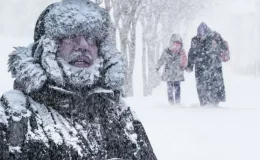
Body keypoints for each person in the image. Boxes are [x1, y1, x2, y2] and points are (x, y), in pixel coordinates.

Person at [0, 0, 157, 159]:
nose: (83, 45)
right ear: (49, 47)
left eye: (91, 38)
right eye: (71, 37)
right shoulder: (14, 113)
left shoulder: (119, 112)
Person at [186, 22, 230, 106]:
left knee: (214, 88)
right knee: (202, 89)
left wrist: (216, 47)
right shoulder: (195, 40)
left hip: (214, 68)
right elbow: (192, 53)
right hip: (200, 69)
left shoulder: (215, 36)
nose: (200, 37)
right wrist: (189, 66)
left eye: (202, 35)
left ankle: (214, 105)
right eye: (199, 35)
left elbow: (223, 48)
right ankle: (204, 105)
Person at [156, 34, 187, 105]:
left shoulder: (167, 51)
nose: (176, 45)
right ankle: (176, 103)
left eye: (178, 43)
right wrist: (184, 66)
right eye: (175, 43)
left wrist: (157, 67)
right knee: (176, 88)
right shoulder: (180, 51)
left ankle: (173, 103)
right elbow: (184, 62)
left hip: (171, 72)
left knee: (171, 88)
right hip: (175, 72)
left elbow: (161, 60)